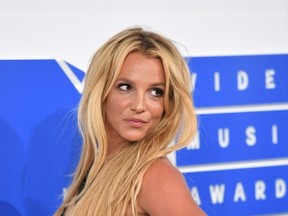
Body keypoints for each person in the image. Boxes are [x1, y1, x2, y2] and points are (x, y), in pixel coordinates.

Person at [54, 27, 206, 216]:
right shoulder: (96, 166)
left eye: (156, 92)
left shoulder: (154, 176)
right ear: (101, 91)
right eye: (125, 87)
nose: (140, 106)